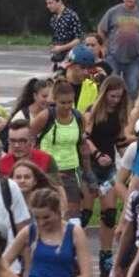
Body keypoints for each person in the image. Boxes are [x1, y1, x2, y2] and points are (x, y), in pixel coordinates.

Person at [85, 75, 131, 277]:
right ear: (104, 94)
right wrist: (96, 154)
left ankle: (106, 256)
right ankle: (72, 251)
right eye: (112, 96)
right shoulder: (92, 111)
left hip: (108, 167)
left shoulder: (119, 114)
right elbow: (84, 138)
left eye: (119, 97)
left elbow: (120, 142)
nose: (115, 100)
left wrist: (129, 162)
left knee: (109, 213)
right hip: (90, 165)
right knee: (84, 214)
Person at [30, 79, 87, 218]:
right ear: (54, 100)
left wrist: (88, 173)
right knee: (50, 213)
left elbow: (82, 145)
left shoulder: (78, 117)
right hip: (48, 172)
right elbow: (29, 138)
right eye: (63, 102)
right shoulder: (46, 116)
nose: (67, 106)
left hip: (72, 171)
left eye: (70, 102)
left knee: (72, 215)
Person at [99, 0, 139, 96]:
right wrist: (103, 46)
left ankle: (131, 106)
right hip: (113, 56)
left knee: (133, 88)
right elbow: (101, 29)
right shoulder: (113, 11)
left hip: (134, 58)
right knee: (112, 86)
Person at [44, 0, 83, 66]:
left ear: (60, 1)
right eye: (47, 3)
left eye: (50, 3)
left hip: (71, 58)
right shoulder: (53, 19)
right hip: (57, 58)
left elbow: (78, 40)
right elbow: (55, 38)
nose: (48, 6)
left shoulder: (71, 16)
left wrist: (61, 48)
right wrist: (53, 46)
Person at [63, 45, 101, 114]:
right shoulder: (57, 85)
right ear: (70, 65)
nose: (86, 72)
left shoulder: (92, 87)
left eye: (89, 67)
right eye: (82, 67)